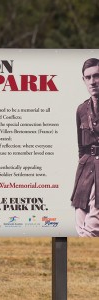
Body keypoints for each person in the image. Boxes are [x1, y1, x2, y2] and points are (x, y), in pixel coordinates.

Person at [71, 58, 99, 237]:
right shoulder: (81, 109)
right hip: (85, 168)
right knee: (80, 223)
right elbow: (81, 146)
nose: (92, 81)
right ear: (83, 80)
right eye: (88, 77)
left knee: (93, 226)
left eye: (97, 76)